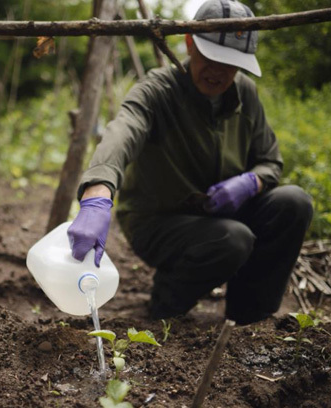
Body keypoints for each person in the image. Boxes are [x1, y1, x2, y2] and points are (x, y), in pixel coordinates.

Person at [66, 0, 313, 325]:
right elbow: (121, 132)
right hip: (160, 222)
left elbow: (270, 162)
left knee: (294, 203)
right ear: (190, 43)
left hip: (222, 215)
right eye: (212, 57)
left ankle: (250, 314)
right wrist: (98, 192)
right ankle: (168, 305)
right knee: (232, 239)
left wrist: (249, 182)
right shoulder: (158, 90)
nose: (220, 71)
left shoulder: (245, 94)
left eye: (232, 63)